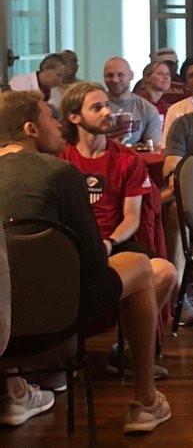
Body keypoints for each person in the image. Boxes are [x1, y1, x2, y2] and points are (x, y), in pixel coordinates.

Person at [0, 91, 173, 434]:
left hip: (5, 323)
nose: (58, 126)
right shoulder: (61, 172)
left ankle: (14, 392)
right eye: (50, 118)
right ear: (30, 129)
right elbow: (94, 260)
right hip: (55, 317)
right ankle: (146, 402)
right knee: (139, 265)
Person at [58, 81, 176, 373]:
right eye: (97, 107)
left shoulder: (126, 158)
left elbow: (132, 218)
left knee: (164, 272)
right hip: (70, 246)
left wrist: (109, 242)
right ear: (74, 117)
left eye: (107, 105)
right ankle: (60, 352)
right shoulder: (60, 159)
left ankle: (127, 350)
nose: (107, 112)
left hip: (114, 242)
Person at [103, 57, 163, 148]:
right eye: (110, 75)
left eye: (120, 75)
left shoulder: (147, 109)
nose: (115, 80)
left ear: (131, 76)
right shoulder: (95, 107)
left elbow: (153, 150)